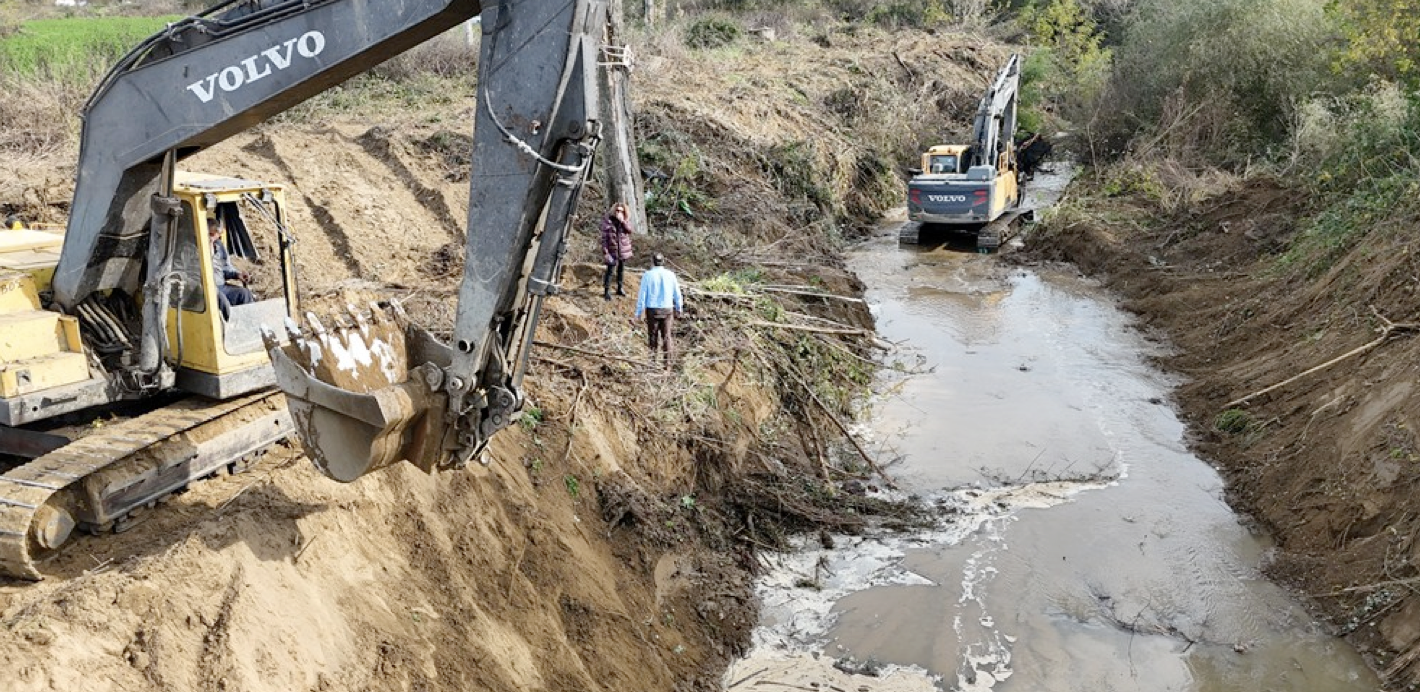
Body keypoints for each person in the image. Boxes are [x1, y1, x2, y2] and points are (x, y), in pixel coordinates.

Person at [634, 253, 683, 367]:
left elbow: (642, 295)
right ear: (663, 262)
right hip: (667, 309)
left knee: (652, 336)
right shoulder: (671, 275)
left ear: (652, 262)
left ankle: (652, 362)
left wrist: (638, 313)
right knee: (667, 336)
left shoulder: (648, 275)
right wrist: (679, 307)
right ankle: (667, 363)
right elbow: (677, 293)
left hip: (653, 310)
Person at [209, 214, 254, 319]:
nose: (212, 238)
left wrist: (237, 274)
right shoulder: (192, 250)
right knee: (221, 299)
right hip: (204, 290)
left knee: (244, 294)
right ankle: (227, 329)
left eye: (214, 235)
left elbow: (225, 268)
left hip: (222, 286)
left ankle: (248, 326)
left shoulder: (219, 246)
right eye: (210, 235)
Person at [600, 202, 634, 300]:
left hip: (622, 249)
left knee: (621, 269)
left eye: (621, 211)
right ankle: (607, 290)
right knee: (610, 270)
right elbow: (604, 238)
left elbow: (630, 230)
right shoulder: (608, 221)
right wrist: (605, 251)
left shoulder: (625, 221)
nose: (619, 212)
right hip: (612, 249)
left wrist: (623, 221)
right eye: (617, 210)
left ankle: (620, 288)